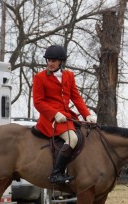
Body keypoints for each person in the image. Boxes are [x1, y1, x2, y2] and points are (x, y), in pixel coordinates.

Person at [33, 44, 96, 184]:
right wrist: (54, 114)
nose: (50, 63)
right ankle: (56, 174)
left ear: (61, 62)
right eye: (48, 60)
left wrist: (86, 114)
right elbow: (37, 102)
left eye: (53, 61)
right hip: (50, 119)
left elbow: (76, 97)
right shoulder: (39, 77)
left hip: (66, 116)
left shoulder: (69, 76)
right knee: (72, 139)